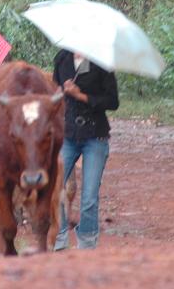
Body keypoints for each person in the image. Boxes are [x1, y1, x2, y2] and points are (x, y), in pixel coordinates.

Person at [52, 48, 119, 250]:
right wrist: (60, 93)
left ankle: (87, 243)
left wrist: (81, 96)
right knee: (55, 185)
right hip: (68, 133)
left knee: (89, 195)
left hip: (95, 136)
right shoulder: (62, 58)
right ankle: (59, 237)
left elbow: (113, 102)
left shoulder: (102, 63)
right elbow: (56, 88)